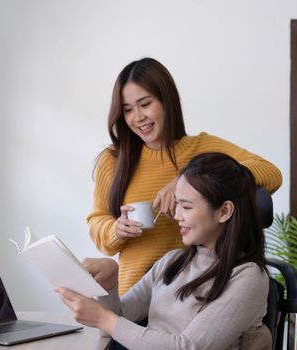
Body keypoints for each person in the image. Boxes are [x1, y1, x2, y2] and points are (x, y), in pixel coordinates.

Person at [87, 57, 282, 295]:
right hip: (134, 298)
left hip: (193, 297)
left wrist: (184, 181)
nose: (137, 117)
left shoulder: (202, 148)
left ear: (166, 101)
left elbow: (270, 172)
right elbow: (97, 221)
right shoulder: (113, 160)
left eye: (145, 104)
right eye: (127, 110)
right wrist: (116, 229)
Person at [57, 152, 271, 349]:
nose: (177, 215)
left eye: (186, 207)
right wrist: (110, 283)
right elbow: (111, 327)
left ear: (224, 211)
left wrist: (104, 318)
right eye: (177, 204)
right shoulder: (172, 262)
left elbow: (188, 347)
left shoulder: (248, 276)